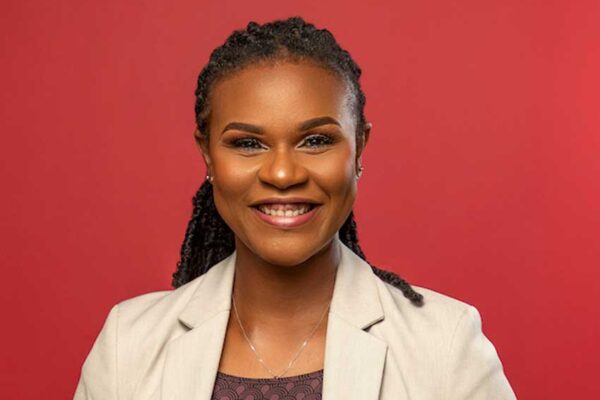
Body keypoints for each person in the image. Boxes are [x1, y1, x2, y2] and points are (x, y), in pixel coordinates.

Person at [74, 16, 516, 400]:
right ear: (207, 154)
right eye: (248, 143)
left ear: (359, 148)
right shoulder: (128, 344)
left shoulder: (445, 345)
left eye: (316, 140)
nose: (283, 173)